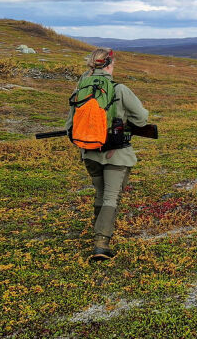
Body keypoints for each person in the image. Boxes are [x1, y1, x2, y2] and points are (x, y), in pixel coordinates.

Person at [65, 48, 149, 261]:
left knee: (101, 193)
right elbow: (142, 118)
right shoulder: (119, 89)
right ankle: (101, 244)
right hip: (116, 154)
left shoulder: (80, 90)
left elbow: (69, 125)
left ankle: (98, 232)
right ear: (110, 65)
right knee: (111, 196)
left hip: (89, 153)